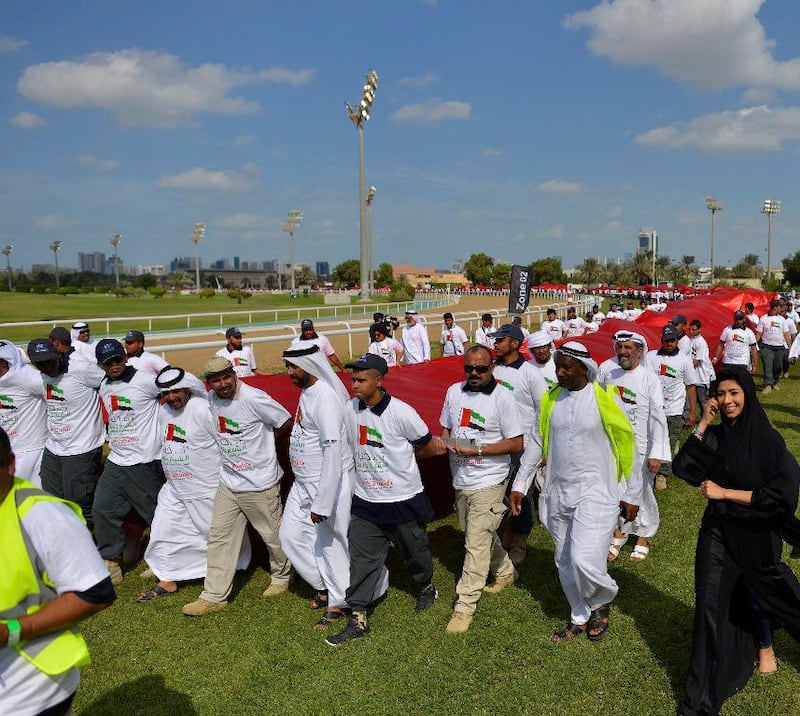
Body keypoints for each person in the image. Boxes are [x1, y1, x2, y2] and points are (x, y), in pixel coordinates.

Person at [672, 369, 800, 716]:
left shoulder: (767, 440)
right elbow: (683, 467)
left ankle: (766, 646)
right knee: (709, 609)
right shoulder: (714, 437)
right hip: (718, 531)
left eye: (734, 393)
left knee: (771, 594)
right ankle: (700, 702)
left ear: (747, 394)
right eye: (721, 394)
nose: (727, 401)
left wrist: (725, 492)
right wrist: (701, 423)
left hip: (758, 535)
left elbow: (781, 495)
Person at [510, 342, 635, 643]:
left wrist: (631, 492)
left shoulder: (603, 400)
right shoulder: (551, 399)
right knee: (564, 560)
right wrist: (519, 483)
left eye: (566, 367)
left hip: (597, 491)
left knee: (583, 557)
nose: (560, 372)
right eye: (558, 366)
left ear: (585, 368)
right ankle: (579, 615)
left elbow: (627, 446)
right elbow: (537, 441)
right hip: (558, 491)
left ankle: (601, 600)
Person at [326, 354, 445, 645]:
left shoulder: (403, 413)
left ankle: (425, 587)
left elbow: (430, 448)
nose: (354, 385)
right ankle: (359, 617)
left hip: (403, 498)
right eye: (352, 379)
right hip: (366, 501)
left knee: (415, 552)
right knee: (362, 559)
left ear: (379, 381)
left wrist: (402, 462)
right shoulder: (348, 410)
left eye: (360, 380)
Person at [0, 426, 115, 716]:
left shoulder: (43, 515)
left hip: (27, 691)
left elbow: (95, 594)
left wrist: (11, 631)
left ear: (10, 465)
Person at [182, 356, 293, 616]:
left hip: (260, 483)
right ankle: (214, 596)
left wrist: (265, 446)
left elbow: (285, 420)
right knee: (219, 537)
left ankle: (282, 577)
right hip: (229, 482)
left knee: (272, 536)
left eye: (226, 377)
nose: (223, 384)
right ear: (208, 384)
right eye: (216, 381)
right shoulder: (210, 400)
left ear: (234, 374)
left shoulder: (254, 398)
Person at [138, 366, 251, 603]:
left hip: (204, 486)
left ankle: (228, 572)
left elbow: (227, 442)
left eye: (175, 392)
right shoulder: (164, 411)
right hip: (174, 488)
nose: (170, 397)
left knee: (212, 534)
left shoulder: (202, 409)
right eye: (165, 393)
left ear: (187, 388)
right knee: (164, 530)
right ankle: (168, 577)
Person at [439, 345, 523, 634]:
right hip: (460, 479)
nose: (474, 373)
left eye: (481, 368)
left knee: (474, 543)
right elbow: (446, 430)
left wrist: (477, 448)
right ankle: (505, 571)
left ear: (492, 368)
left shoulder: (503, 398)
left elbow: (516, 443)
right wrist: (447, 442)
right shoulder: (453, 392)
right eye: (469, 368)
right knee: (481, 535)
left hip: (490, 479)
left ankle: (465, 606)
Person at [280, 344, 360, 631]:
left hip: (327, 483)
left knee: (332, 543)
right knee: (289, 536)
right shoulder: (308, 392)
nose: (289, 372)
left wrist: (324, 501)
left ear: (310, 365)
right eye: (287, 366)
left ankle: (339, 601)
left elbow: (333, 450)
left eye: (294, 367)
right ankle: (324, 583)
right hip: (303, 482)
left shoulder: (324, 397)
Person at [92, 339, 165, 585]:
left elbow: (177, 393)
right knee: (102, 507)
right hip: (117, 459)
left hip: (145, 460)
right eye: (107, 362)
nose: (113, 365)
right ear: (100, 365)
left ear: (125, 357)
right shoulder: (103, 385)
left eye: (116, 359)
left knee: (156, 514)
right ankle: (111, 562)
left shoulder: (146, 380)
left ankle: (166, 561)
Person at [597, 331, 669, 562]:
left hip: (641, 446)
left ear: (639, 351)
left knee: (639, 492)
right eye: (620, 347)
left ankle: (643, 536)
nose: (623, 352)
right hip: (612, 445)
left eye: (628, 348)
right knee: (615, 491)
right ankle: (619, 533)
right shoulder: (608, 373)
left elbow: (658, 417)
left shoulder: (649, 378)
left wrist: (656, 453)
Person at [26, 337, 105, 527]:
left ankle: (90, 545)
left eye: (49, 361)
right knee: (53, 500)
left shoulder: (82, 370)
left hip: (82, 448)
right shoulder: (40, 377)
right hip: (53, 449)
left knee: (80, 502)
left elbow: (113, 384)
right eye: (40, 364)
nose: (46, 367)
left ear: (59, 353)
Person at [490, 323, 547, 565]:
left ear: (514, 343)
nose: (495, 344)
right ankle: (507, 531)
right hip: (496, 443)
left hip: (523, 445)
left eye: (500, 340)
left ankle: (520, 539)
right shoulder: (492, 370)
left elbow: (544, 411)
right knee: (500, 492)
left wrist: (543, 447)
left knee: (521, 493)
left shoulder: (531, 373)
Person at [647, 324, 697, 491]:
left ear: (677, 340)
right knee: (652, 440)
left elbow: (690, 386)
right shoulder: (651, 357)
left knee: (667, 442)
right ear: (662, 340)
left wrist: (692, 411)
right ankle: (649, 469)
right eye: (666, 340)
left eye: (672, 340)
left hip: (674, 409)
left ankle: (662, 475)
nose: (669, 344)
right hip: (653, 409)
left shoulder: (684, 360)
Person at [0, 340, 47, 485]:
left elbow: (62, 389)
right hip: (7, 449)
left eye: (1, 363)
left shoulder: (29, 378)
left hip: (33, 451)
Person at [755, 299, 791, 394]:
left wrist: (790, 347)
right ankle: (767, 385)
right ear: (775, 307)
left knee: (777, 367)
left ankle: (774, 382)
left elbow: (786, 334)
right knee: (767, 366)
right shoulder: (763, 319)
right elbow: (759, 333)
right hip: (767, 346)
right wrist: (754, 345)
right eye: (780, 307)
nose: (781, 308)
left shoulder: (782, 320)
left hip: (779, 347)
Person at [688, 319, 715, 413]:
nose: (691, 331)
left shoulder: (701, 342)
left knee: (702, 400)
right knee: (690, 399)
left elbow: (697, 361)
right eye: (690, 329)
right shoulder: (691, 340)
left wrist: (686, 367)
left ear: (699, 330)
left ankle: (706, 419)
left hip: (701, 375)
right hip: (693, 375)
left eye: (693, 329)